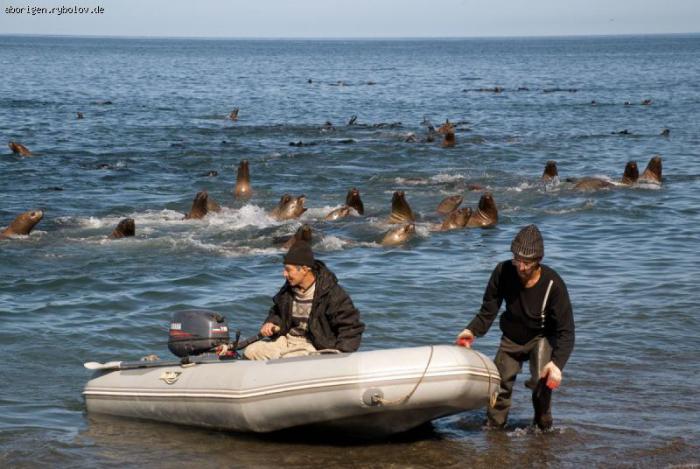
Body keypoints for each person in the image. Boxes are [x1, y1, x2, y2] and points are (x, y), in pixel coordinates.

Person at [456, 224, 574, 430]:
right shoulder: (503, 271)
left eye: (527, 263)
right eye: (517, 260)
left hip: (542, 337)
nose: (521, 267)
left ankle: (543, 429)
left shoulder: (553, 284)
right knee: (499, 384)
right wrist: (471, 331)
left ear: (538, 261)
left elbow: (566, 331)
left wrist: (557, 364)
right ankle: (494, 430)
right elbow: (489, 309)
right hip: (512, 337)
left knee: (540, 382)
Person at [244, 241, 365, 360]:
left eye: (288, 270)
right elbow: (277, 314)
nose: (284, 274)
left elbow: (350, 327)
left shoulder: (332, 293)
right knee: (251, 351)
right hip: (287, 340)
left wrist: (341, 355)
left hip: (314, 346)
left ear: (304, 269)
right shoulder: (287, 291)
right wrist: (272, 323)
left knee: (289, 359)